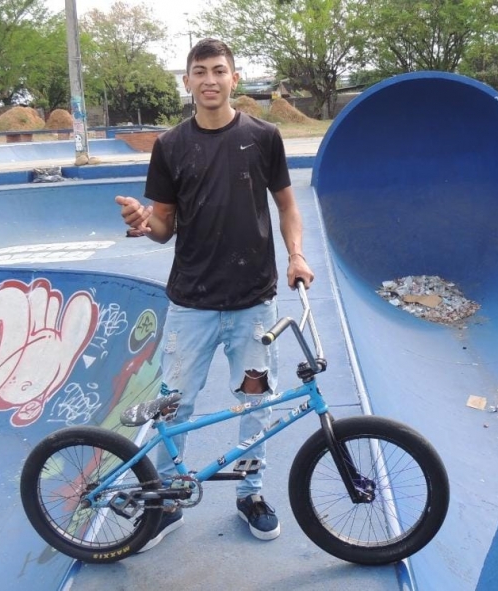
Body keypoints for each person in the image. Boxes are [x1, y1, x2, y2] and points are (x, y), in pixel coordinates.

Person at [115, 38, 314, 551]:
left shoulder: (264, 137)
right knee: (172, 407)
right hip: (191, 306)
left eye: (218, 70)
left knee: (254, 403)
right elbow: (164, 225)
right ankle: (166, 502)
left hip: (253, 305)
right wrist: (143, 223)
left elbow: (288, 207)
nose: (209, 79)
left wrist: (296, 254)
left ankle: (250, 494)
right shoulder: (170, 146)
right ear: (187, 82)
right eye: (199, 71)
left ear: (234, 77)